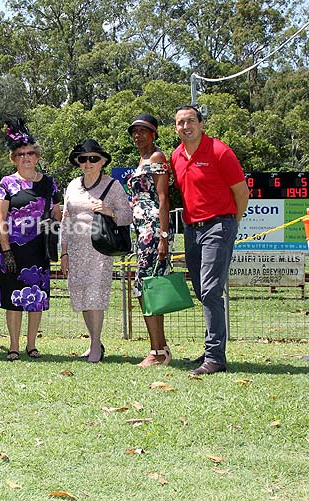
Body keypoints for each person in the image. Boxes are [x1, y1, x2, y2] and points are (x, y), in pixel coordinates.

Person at [171, 105, 248, 375]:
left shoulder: (219, 151)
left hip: (219, 225)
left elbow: (242, 192)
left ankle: (215, 358)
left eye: (191, 120)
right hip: (191, 230)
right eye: (180, 122)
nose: (186, 126)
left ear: (201, 124)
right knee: (202, 289)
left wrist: (232, 223)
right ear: (176, 128)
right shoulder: (176, 156)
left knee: (211, 290)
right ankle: (210, 350)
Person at [60, 140, 133, 362]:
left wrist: (109, 211)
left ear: (102, 162)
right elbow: (65, 219)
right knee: (82, 296)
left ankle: (95, 346)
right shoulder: (72, 185)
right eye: (83, 159)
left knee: (95, 295)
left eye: (93, 158)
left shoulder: (113, 186)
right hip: (76, 250)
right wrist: (64, 252)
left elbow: (128, 215)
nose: (88, 163)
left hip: (99, 249)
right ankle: (94, 341)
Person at [0, 119, 61, 361]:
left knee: (37, 298)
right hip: (12, 250)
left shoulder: (49, 182)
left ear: (37, 156)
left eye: (30, 153)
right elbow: (0, 219)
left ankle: (31, 345)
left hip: (39, 249)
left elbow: (57, 213)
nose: (26, 157)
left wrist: (52, 222)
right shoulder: (6, 183)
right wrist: (6, 250)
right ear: (13, 158)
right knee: (13, 299)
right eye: (20, 154)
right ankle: (13, 345)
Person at [126, 114, 172, 366]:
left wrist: (163, 236)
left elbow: (163, 198)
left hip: (153, 231)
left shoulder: (157, 157)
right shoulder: (141, 160)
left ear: (154, 134)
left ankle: (158, 351)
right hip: (141, 231)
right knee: (146, 289)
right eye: (135, 131)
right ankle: (159, 348)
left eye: (143, 131)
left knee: (147, 288)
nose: (138, 135)